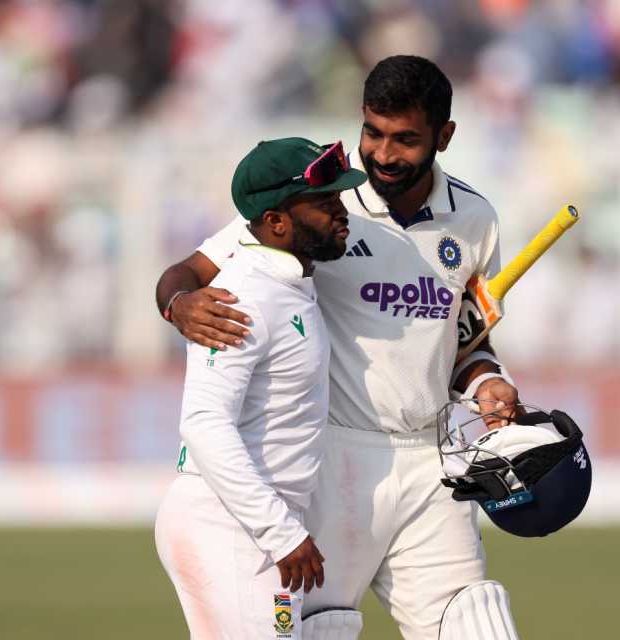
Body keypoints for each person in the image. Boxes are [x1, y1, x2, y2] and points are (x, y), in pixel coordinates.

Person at [156, 55, 522, 640]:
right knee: (315, 630)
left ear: (444, 136)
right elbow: (187, 272)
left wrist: (486, 384)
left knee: (477, 628)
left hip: (430, 462)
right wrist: (179, 305)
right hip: (329, 463)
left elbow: (465, 344)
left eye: (405, 140)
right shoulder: (321, 196)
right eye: (372, 133)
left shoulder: (475, 220)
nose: (382, 154)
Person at [154, 136, 367, 639]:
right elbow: (204, 424)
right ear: (275, 222)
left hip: (252, 526)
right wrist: (283, 533)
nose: (342, 213)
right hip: (228, 525)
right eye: (325, 203)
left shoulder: (288, 282)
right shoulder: (242, 297)